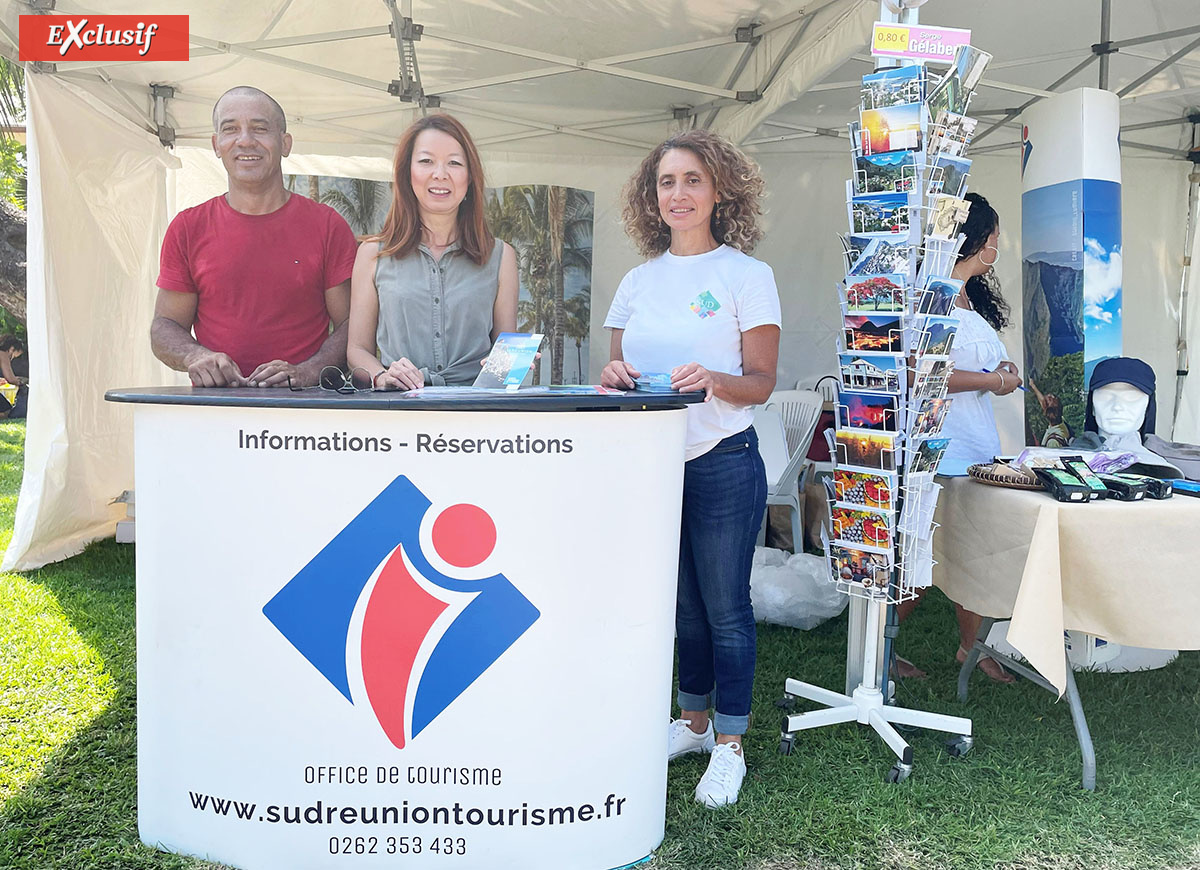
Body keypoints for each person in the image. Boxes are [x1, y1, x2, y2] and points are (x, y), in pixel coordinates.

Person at [601, 129, 780, 808]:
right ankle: (694, 722)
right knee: (682, 608)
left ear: (720, 191)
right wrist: (613, 375)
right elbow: (617, 373)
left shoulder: (746, 276)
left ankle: (731, 743)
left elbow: (762, 384)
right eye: (667, 182)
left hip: (722, 462)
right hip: (652, 465)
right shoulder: (637, 282)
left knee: (727, 608)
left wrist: (715, 378)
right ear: (652, 197)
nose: (679, 194)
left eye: (693, 180)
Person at [152, 86, 358, 388]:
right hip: (215, 410)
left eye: (260, 129)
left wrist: (308, 372)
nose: (245, 140)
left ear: (285, 143)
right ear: (216, 144)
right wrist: (195, 356)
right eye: (230, 129)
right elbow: (164, 326)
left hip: (307, 414)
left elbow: (354, 325)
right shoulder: (187, 228)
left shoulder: (328, 226)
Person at [898, 192, 1022, 683]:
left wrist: (1000, 370)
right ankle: (880, 652)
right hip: (937, 445)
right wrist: (992, 381)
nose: (997, 249)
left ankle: (972, 648)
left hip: (971, 443)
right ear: (976, 242)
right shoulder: (934, 293)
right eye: (994, 239)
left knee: (970, 550)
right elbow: (920, 374)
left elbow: (965, 365)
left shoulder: (968, 295)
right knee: (921, 556)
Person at [347, 114, 518, 390]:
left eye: (454, 163)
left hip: (478, 418)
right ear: (407, 172)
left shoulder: (500, 256)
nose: (440, 174)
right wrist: (382, 376)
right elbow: (356, 350)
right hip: (399, 414)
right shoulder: (372, 254)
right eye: (426, 161)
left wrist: (509, 364)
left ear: (470, 177)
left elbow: (505, 355)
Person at [0, 335, 27, 418]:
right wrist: (21, 381)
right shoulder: (3, 354)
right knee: (6, 410)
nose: (12, 359)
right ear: (12, 348)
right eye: (14, 356)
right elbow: (11, 379)